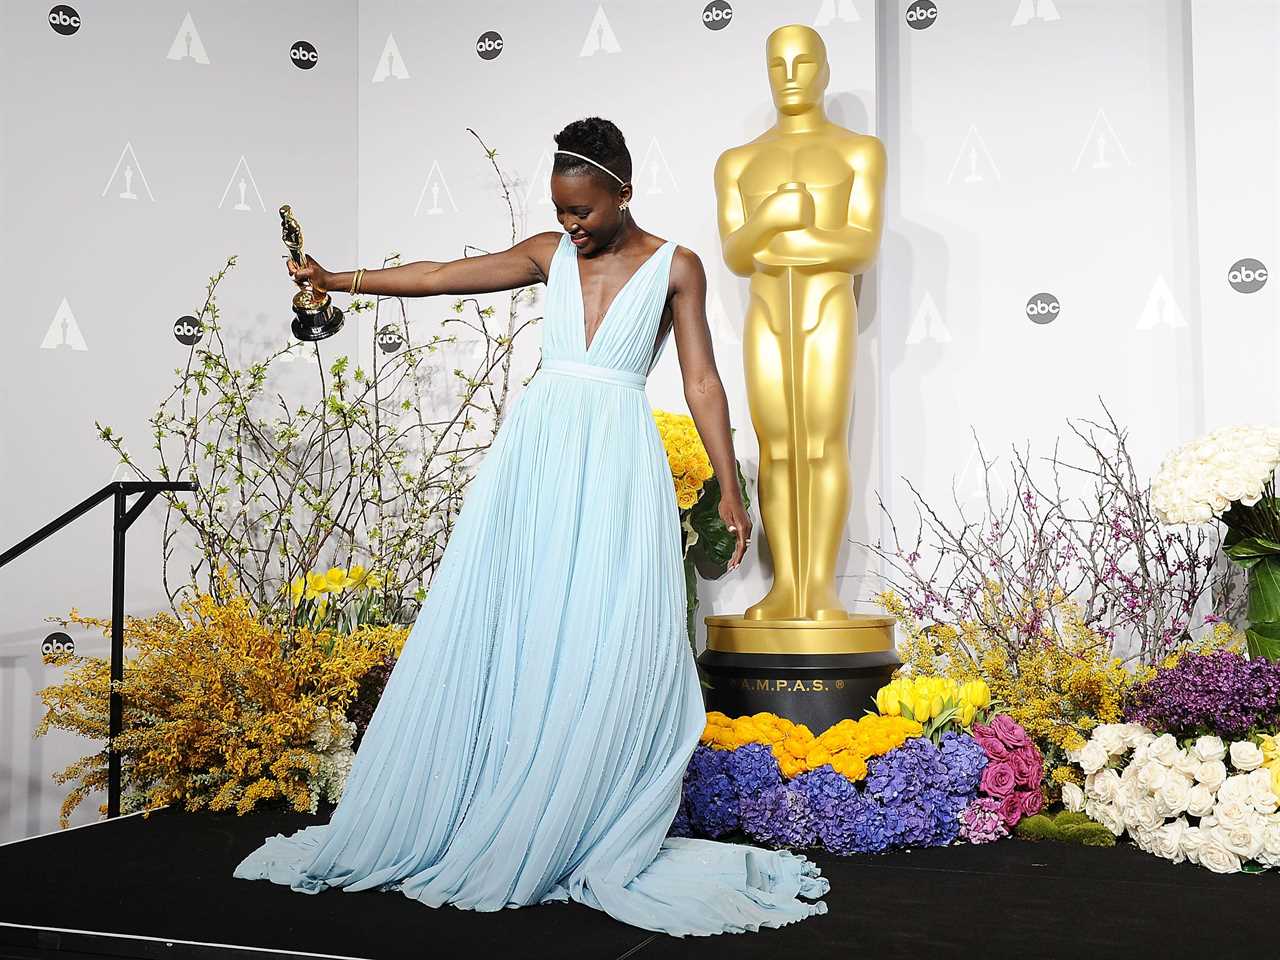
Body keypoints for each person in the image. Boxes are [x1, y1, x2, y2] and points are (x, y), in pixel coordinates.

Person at [232, 117, 830, 937]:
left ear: (623, 190)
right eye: (561, 210)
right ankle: (499, 797)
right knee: (520, 618)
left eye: (584, 209)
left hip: (618, 457)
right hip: (539, 452)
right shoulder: (548, 257)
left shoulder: (677, 267)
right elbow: (444, 275)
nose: (572, 226)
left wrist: (731, 485)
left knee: (607, 631)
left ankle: (579, 807)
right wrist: (339, 278)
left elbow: (701, 380)